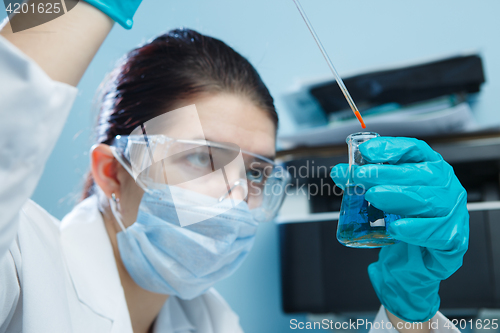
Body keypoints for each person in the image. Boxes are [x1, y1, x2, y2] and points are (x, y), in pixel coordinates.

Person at [0, 1, 468, 332]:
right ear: (112, 174)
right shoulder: (19, 272)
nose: (237, 194)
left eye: (257, 173)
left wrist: (412, 317)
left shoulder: (211, 322)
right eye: (202, 157)